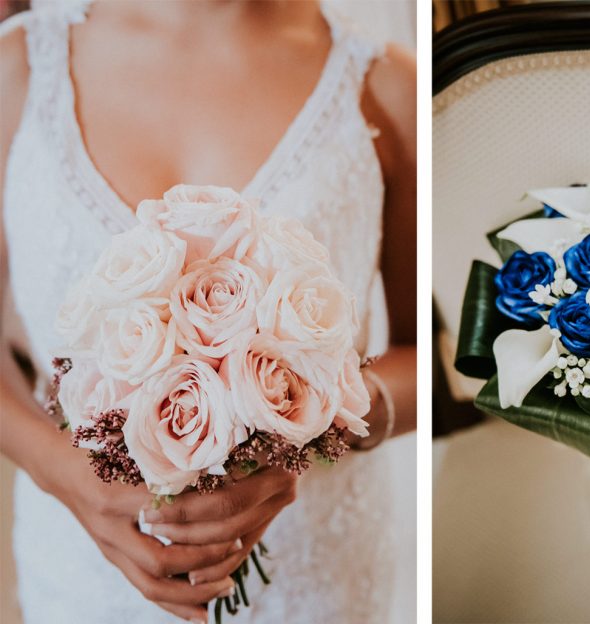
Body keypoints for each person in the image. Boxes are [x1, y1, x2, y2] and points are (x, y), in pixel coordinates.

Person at [0, 1, 416, 622]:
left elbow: (428, 355)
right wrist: (70, 477)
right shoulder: (17, 71)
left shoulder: (383, 83)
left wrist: (315, 420)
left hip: (318, 578)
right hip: (85, 578)